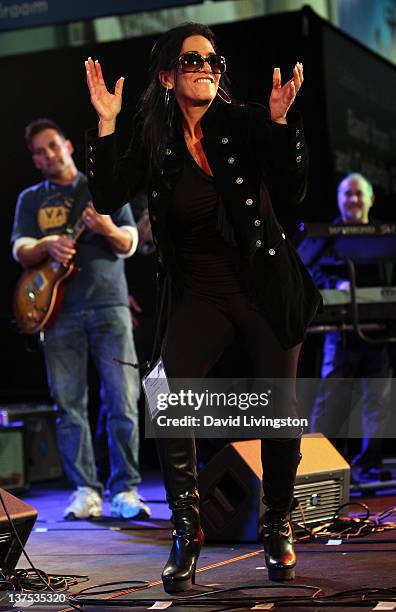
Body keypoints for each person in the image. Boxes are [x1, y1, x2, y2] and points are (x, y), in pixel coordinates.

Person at [84, 22, 321, 590]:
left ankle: (278, 523)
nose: (207, 69)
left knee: (278, 409)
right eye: (193, 61)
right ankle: (187, 528)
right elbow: (107, 195)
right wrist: (108, 124)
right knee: (169, 390)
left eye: (214, 62)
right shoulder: (155, 142)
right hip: (202, 295)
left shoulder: (243, 123)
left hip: (264, 288)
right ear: (167, 75)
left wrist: (283, 122)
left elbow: (293, 189)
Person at [11, 118, 151, 520]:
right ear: (35, 160)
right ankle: (85, 490)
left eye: (52, 146)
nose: (47, 155)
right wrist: (48, 244)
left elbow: (129, 242)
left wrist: (106, 225)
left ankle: (125, 489)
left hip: (109, 306)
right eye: (39, 152)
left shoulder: (101, 187)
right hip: (57, 312)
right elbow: (20, 249)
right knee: (68, 403)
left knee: (122, 398)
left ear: (69, 145)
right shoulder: (30, 199)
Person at [308, 173, 392, 482]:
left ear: (370, 199)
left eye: (359, 194)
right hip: (340, 331)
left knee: (378, 401)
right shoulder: (327, 237)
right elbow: (311, 274)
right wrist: (338, 285)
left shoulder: (384, 235)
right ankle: (323, 464)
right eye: (347, 194)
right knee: (332, 398)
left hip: (379, 332)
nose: (353, 200)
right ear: (339, 200)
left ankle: (369, 462)